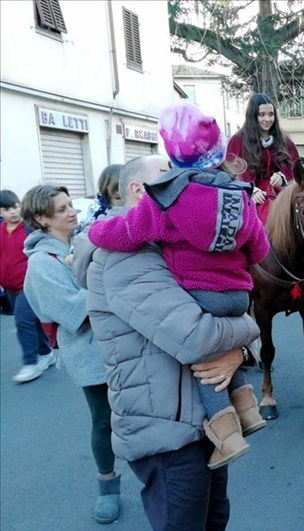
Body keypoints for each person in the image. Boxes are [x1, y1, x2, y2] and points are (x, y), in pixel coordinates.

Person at [77, 154, 261, 531]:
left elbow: (235, 297)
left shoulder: (170, 246)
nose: (188, 183)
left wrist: (240, 348)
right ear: (141, 191)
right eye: (169, 176)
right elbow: (198, 336)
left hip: (198, 420)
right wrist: (246, 333)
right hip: (165, 429)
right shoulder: (123, 259)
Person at [88, 102, 270, 470]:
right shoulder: (240, 196)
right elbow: (261, 248)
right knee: (224, 353)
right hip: (237, 295)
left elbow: (127, 232)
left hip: (198, 294)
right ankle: (249, 412)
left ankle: (228, 436)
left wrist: (94, 230)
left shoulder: (166, 201)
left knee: (206, 364)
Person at [20, 185, 121, 524]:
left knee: (141, 413)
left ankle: (159, 480)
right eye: (61, 209)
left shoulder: (82, 241)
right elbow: (72, 309)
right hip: (88, 352)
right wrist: (117, 287)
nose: (71, 212)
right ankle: (107, 485)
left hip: (121, 342)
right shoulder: (40, 264)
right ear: (41, 219)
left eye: (69, 205)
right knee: (103, 420)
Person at [1, 189, 56, 382]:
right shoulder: (0, 232)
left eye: (15, 206)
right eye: (7, 209)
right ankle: (46, 352)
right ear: (0, 212)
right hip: (10, 287)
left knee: (23, 321)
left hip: (29, 284)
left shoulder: (28, 229)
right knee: (34, 321)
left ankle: (30, 363)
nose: (13, 212)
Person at [225, 93, 300, 224]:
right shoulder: (237, 141)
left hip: (281, 194)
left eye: (271, 114)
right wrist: (250, 190)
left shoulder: (284, 140)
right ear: (253, 116)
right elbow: (230, 174)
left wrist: (282, 177)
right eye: (262, 115)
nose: (267, 119)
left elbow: (296, 170)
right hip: (250, 198)